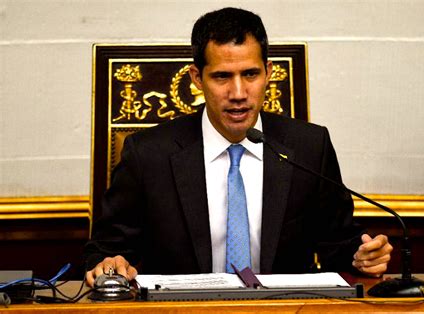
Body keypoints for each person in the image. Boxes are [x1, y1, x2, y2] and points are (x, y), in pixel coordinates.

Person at [84, 7, 392, 286]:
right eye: (221, 76)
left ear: (268, 73)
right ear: (197, 78)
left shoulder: (310, 146)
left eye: (250, 74)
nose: (238, 92)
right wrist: (109, 264)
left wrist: (362, 256)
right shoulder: (148, 154)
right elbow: (107, 249)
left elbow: (339, 242)